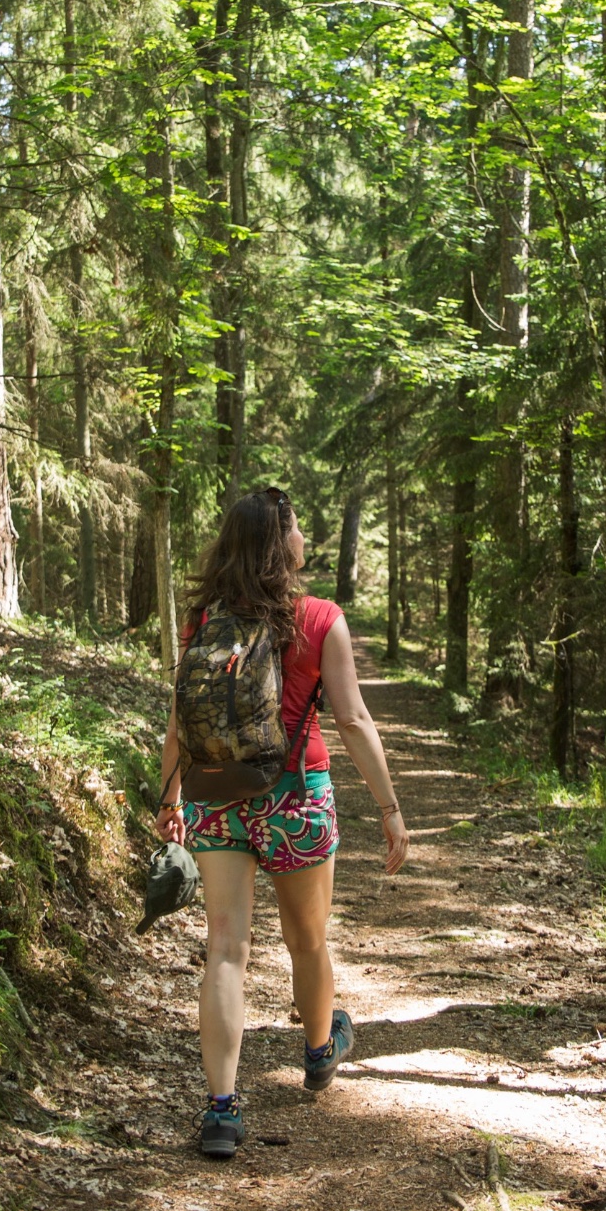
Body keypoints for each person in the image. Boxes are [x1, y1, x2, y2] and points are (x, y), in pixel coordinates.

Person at [154, 486, 411, 1158]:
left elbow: (182, 716)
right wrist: (389, 808)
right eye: (296, 527)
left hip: (214, 797)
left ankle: (219, 1110)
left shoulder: (202, 618)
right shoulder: (322, 618)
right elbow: (352, 720)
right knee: (307, 940)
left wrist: (169, 796)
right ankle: (321, 1048)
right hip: (296, 795)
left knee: (226, 950)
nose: (304, 537)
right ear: (282, 543)